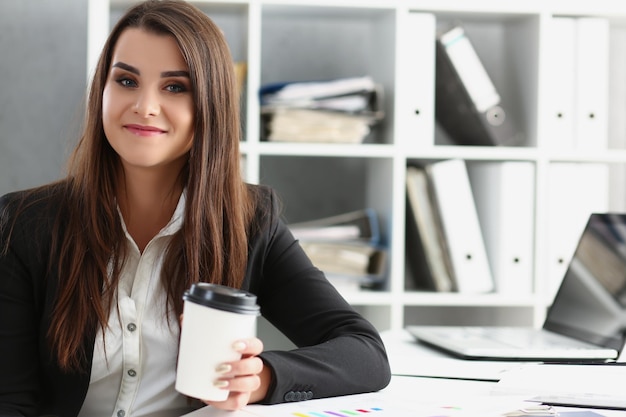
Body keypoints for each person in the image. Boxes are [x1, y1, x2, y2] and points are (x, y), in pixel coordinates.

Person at [0, 0, 391, 416]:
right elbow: (11, 400)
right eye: (126, 81)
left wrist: (260, 378)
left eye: (175, 87)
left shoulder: (249, 222)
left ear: (211, 104)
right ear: (102, 91)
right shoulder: (26, 224)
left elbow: (364, 353)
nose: (145, 106)